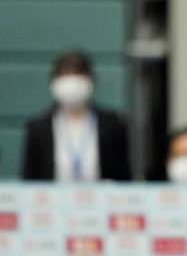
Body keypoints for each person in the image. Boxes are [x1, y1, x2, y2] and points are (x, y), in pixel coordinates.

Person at [22, 50, 130, 181]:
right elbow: (29, 178)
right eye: (65, 75)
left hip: (102, 199)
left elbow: (124, 174)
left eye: (77, 74)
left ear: (90, 80)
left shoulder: (113, 124)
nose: (72, 83)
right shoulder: (38, 128)